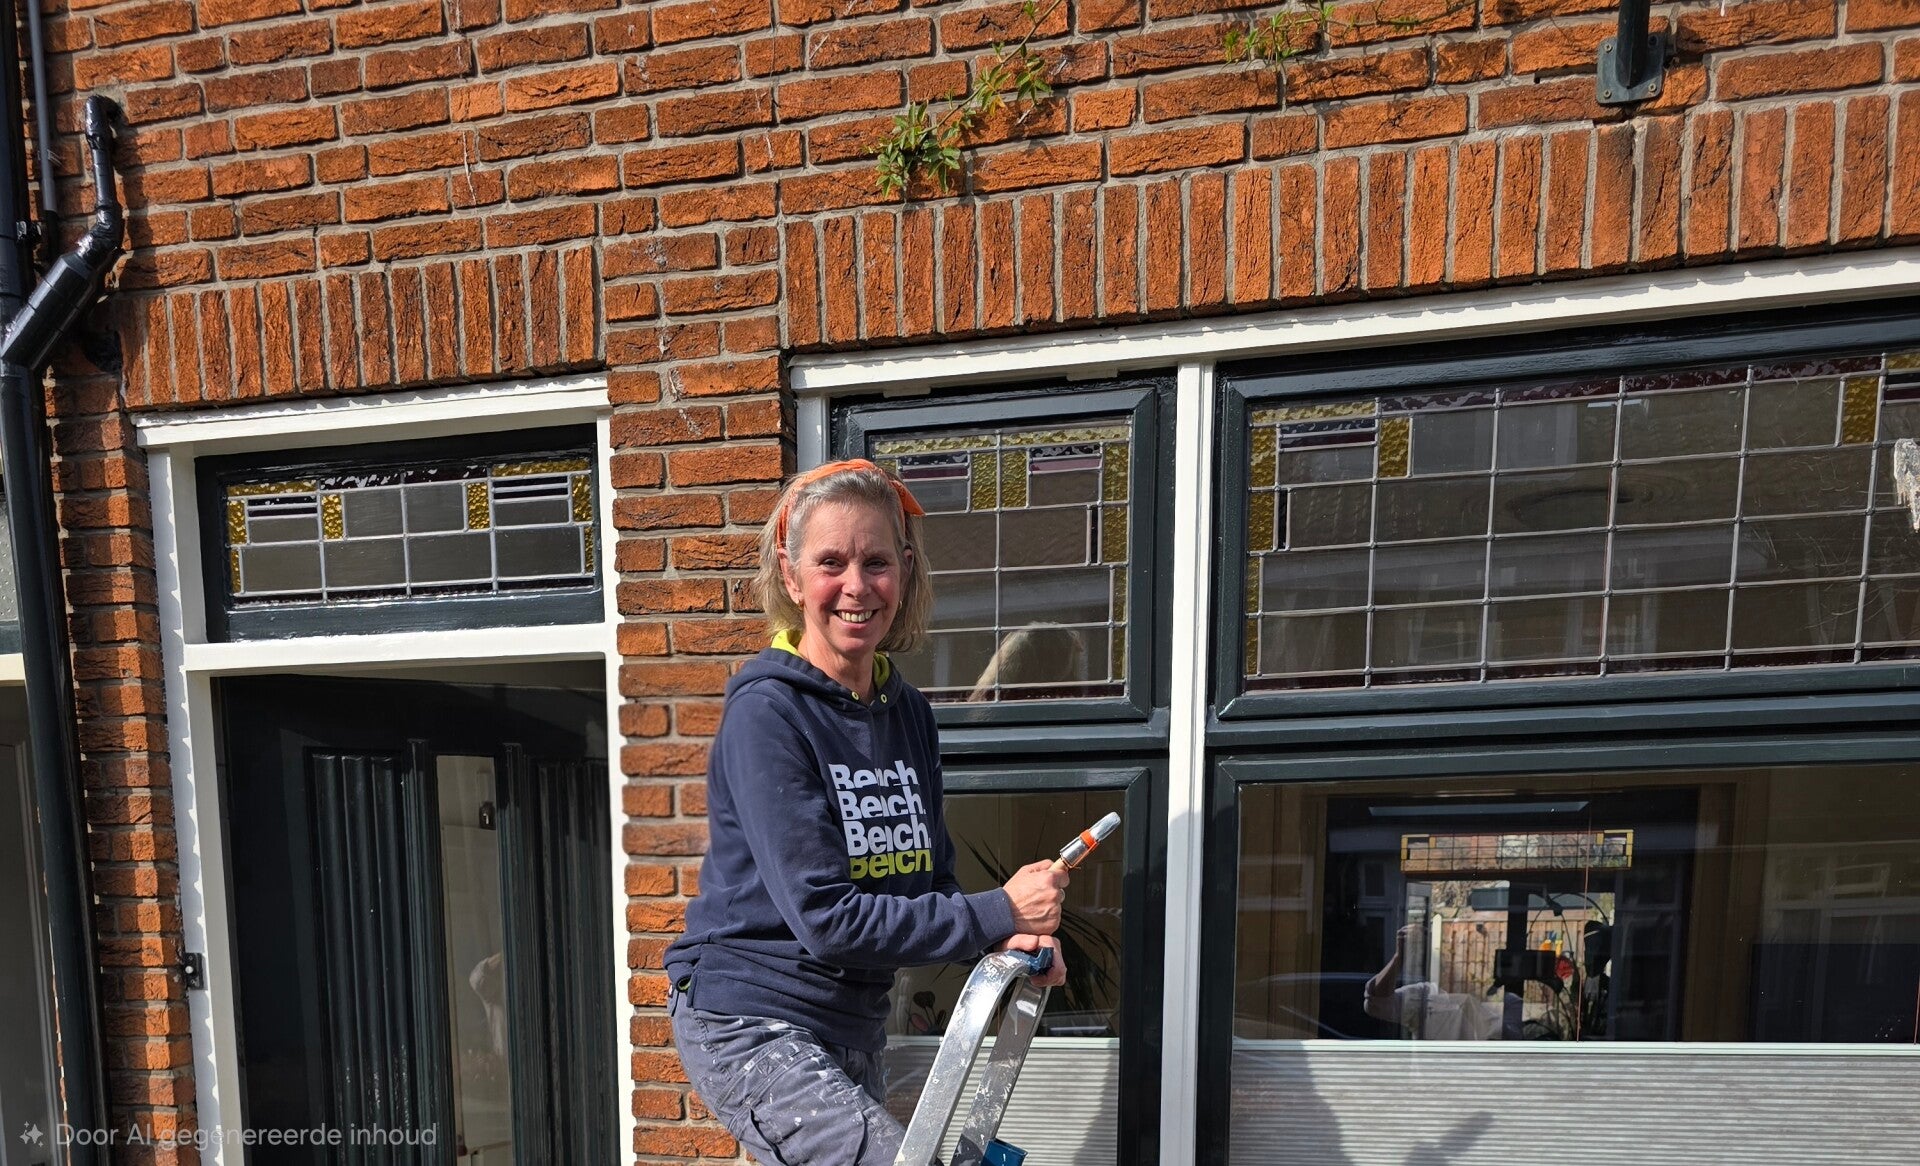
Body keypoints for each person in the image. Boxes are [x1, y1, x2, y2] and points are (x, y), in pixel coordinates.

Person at [664, 459, 1069, 1166]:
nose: (856, 585)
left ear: (904, 572)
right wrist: (1001, 909)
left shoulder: (908, 714)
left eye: (876, 562)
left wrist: (1006, 939)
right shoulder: (769, 713)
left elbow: (931, 885)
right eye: (831, 562)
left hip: (851, 1024)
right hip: (750, 1019)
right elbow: (826, 920)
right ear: (792, 578)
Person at [1363, 924, 1518, 1040]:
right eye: (1450, 949)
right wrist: (1399, 957)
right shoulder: (1426, 995)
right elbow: (1377, 1003)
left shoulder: (1509, 1004)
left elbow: (1513, 1040)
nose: (1454, 957)